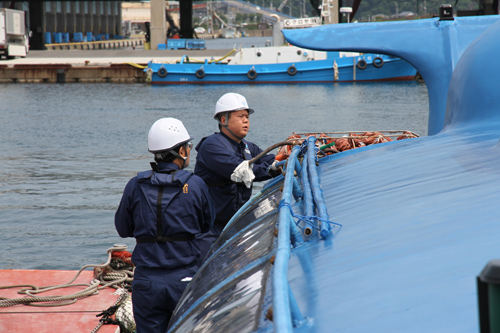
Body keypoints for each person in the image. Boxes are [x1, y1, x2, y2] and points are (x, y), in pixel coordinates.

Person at [115, 117, 215, 333]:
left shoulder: (135, 185)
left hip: (146, 282)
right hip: (184, 278)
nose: (190, 150)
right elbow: (207, 225)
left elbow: (123, 229)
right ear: (181, 151)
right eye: (188, 146)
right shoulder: (196, 184)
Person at [194, 92, 277, 264]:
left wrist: (284, 157)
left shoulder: (247, 147)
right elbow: (241, 171)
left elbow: (269, 160)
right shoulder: (211, 146)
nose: (246, 120)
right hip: (210, 229)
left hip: (234, 224)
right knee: (207, 272)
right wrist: (276, 166)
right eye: (240, 116)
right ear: (223, 120)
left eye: (247, 117)